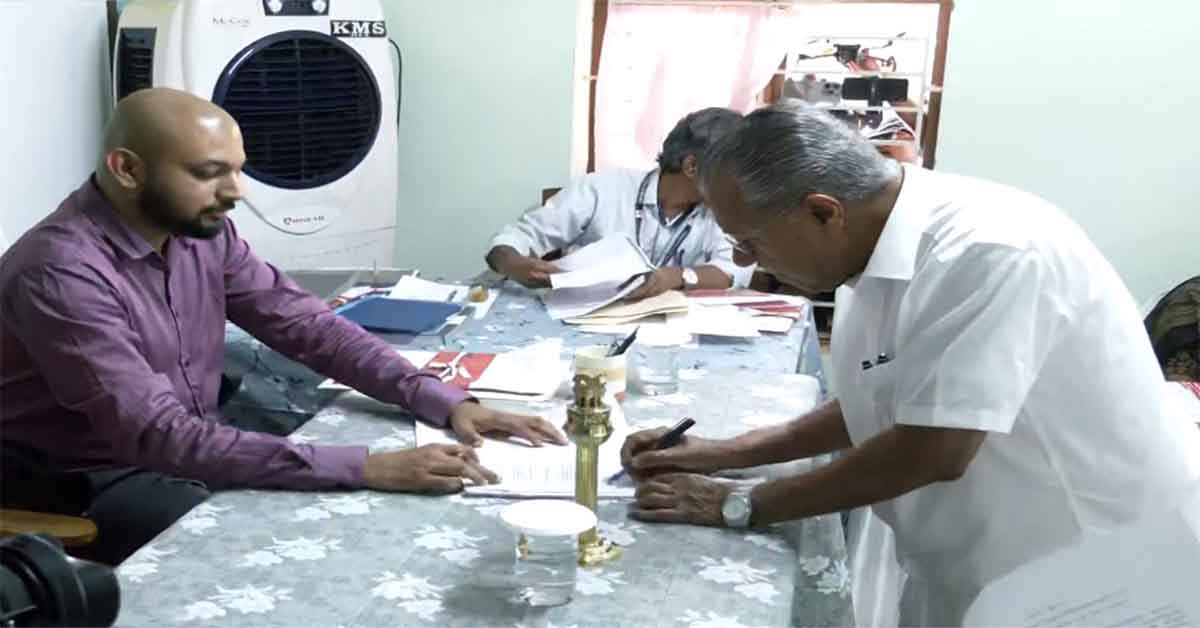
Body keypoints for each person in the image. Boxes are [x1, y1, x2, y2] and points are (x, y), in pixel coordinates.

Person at [619, 101, 1200, 625]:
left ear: (823, 213)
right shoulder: (872, 243)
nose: (746, 262)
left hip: (1089, 567)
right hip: (979, 562)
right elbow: (885, 396)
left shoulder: (990, 252)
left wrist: (738, 503)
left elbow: (934, 448)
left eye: (750, 242)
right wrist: (725, 453)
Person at [0, 88, 565, 566]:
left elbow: (308, 326)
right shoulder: (60, 272)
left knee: (368, 499)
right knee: (280, 546)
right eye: (209, 173)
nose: (236, 192)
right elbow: (158, 436)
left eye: (238, 170)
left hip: (182, 448)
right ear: (127, 170)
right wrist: (368, 467)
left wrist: (440, 398)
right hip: (84, 480)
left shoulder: (200, 233)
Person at [485, 107, 753, 301]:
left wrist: (676, 276)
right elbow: (516, 238)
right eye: (733, 171)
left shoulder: (726, 210)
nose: (740, 181)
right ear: (692, 166)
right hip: (587, 320)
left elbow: (732, 272)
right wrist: (511, 263)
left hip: (673, 332)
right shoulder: (603, 188)